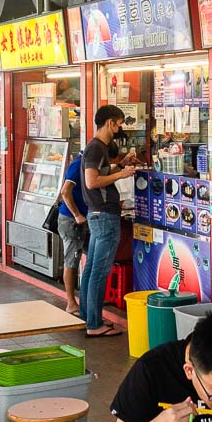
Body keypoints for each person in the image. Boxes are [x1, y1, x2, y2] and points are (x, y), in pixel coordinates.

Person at [81, 105, 136, 337]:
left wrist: (120, 165)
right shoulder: (96, 148)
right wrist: (121, 175)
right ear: (110, 122)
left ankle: (86, 316)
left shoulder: (98, 148)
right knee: (99, 271)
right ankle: (94, 324)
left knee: (92, 268)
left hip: (97, 215)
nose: (119, 129)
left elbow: (100, 174)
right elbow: (92, 181)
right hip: (104, 216)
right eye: (119, 123)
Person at [58, 152, 89, 316]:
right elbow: (65, 192)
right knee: (72, 261)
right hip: (71, 220)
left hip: (82, 220)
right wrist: (77, 214)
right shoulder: (78, 165)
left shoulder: (86, 164)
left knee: (88, 257)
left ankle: (86, 298)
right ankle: (71, 303)